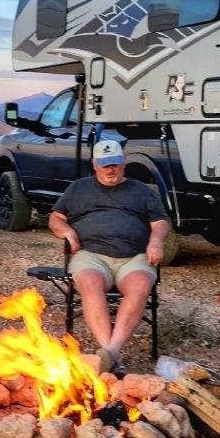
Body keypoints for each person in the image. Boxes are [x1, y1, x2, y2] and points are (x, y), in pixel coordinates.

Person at [48, 138, 170, 368]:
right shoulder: (79, 188)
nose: (110, 170)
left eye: (115, 163)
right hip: (92, 255)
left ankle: (109, 353)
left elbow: (160, 222)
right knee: (89, 282)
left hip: (134, 256)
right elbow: (56, 218)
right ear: (94, 164)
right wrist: (68, 233)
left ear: (124, 163)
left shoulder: (141, 190)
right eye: (105, 164)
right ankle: (110, 352)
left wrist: (156, 241)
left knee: (141, 284)